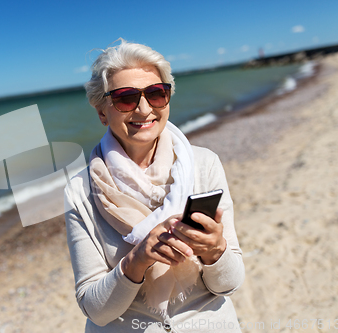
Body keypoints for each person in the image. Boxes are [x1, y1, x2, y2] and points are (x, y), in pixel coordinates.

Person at [64, 39, 245, 333]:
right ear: (101, 112)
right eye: (125, 98)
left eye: (157, 94)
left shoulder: (204, 164)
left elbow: (230, 285)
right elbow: (95, 310)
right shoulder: (80, 191)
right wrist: (136, 260)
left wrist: (215, 251)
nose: (144, 109)